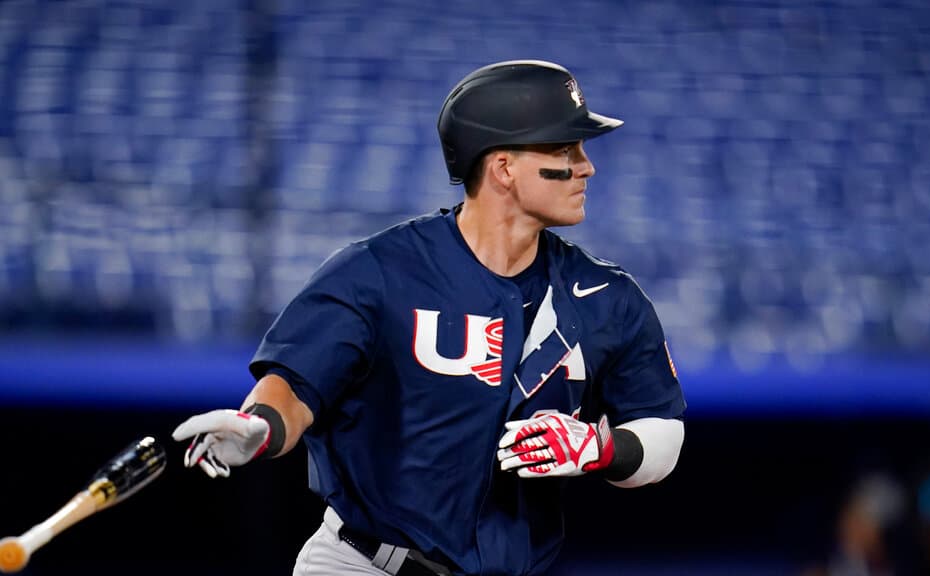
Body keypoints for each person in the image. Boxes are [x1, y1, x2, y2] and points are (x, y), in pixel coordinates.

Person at [172, 59, 687, 576]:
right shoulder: (379, 270)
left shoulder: (605, 294)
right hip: (363, 565)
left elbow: (663, 431)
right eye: (564, 149)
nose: (586, 166)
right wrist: (260, 427)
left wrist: (602, 447)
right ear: (503, 167)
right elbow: (297, 385)